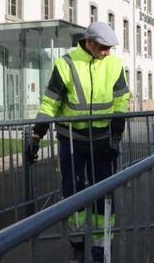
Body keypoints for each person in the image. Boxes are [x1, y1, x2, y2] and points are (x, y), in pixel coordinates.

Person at [25, 22, 131, 262]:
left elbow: (121, 101)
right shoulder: (66, 64)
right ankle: (77, 245)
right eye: (103, 47)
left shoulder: (114, 64)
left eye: (110, 47)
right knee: (73, 193)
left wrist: (116, 135)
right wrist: (37, 134)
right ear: (89, 42)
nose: (107, 52)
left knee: (104, 193)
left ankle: (101, 246)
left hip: (103, 140)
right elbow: (50, 102)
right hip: (72, 141)